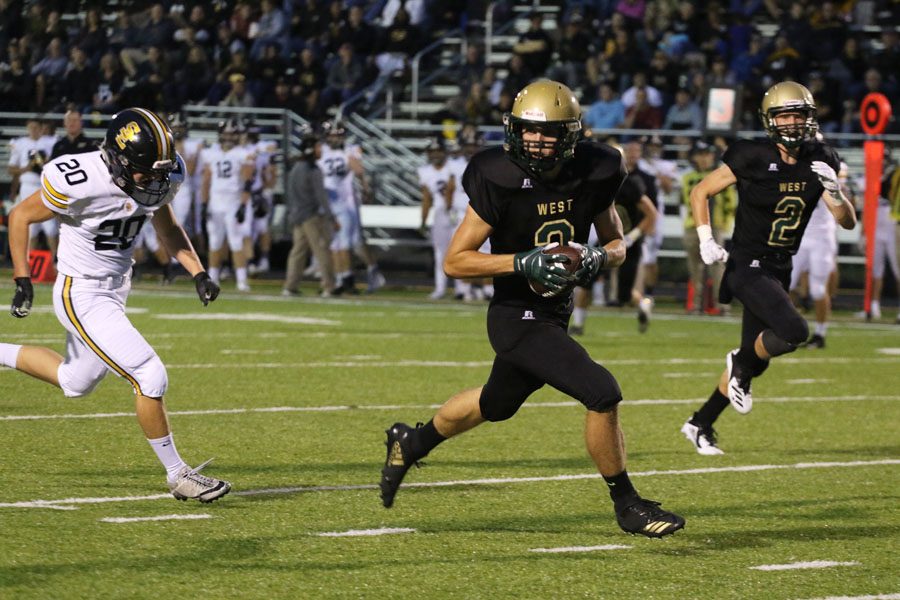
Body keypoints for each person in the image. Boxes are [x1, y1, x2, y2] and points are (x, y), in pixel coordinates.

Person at [379, 80, 685, 538]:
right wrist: (521, 261)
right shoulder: (496, 173)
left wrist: (599, 256)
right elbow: (456, 260)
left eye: (548, 133)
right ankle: (627, 504)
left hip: (555, 310)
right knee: (601, 392)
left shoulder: (598, 168)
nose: (537, 141)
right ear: (513, 129)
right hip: (516, 314)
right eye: (528, 131)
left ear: (572, 135)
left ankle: (411, 442)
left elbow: (616, 242)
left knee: (495, 403)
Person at [2, 107, 231, 502]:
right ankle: (179, 475)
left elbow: (169, 228)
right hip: (82, 293)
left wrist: (197, 271)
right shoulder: (80, 179)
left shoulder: (157, 176)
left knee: (76, 382)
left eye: (160, 173)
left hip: (115, 291)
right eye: (146, 172)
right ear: (118, 160)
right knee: (149, 374)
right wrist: (22, 278)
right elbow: (20, 216)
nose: (154, 181)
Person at [680, 82, 857, 456]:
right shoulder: (752, 155)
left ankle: (700, 422)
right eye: (784, 115)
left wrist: (837, 194)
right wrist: (706, 238)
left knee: (754, 362)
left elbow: (847, 222)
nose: (792, 123)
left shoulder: (821, 157)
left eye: (798, 115)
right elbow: (701, 192)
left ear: (810, 118)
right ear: (770, 121)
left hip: (780, 265)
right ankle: (738, 364)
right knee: (793, 330)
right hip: (747, 263)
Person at [790, 159, 850, 347]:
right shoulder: (794, 172)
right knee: (785, 284)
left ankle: (820, 334)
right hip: (799, 236)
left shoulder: (828, 173)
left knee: (817, 289)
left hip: (822, 238)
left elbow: (844, 204)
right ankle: (788, 329)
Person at [199, 118, 255, 292]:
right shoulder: (212, 153)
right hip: (215, 204)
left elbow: (247, 182)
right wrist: (203, 204)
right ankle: (213, 279)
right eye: (227, 134)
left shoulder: (243, 153)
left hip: (233, 203)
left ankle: (241, 280)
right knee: (215, 243)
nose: (229, 137)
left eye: (232, 134)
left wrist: (243, 205)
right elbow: (206, 181)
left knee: (236, 242)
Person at [681, 141, 736, 315]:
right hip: (692, 225)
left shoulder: (719, 175)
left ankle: (722, 305)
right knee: (694, 268)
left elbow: (730, 201)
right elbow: (684, 202)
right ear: (694, 157)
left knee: (717, 268)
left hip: (715, 226)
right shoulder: (687, 177)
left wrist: (725, 223)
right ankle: (695, 305)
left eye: (707, 154)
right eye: (701, 154)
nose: (704, 158)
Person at [283, 127, 339, 297]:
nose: (320, 150)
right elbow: (321, 197)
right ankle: (329, 286)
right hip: (311, 217)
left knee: (297, 253)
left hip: (297, 216)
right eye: (318, 147)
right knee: (322, 251)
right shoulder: (313, 170)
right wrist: (331, 217)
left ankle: (290, 286)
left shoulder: (295, 168)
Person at [8, 117, 59, 258]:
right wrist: (27, 168)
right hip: (27, 186)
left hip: (46, 186)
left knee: (51, 227)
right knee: (31, 227)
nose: (34, 130)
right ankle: (31, 264)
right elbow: (11, 170)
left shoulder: (50, 142)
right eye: (31, 127)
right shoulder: (20, 144)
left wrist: (45, 163)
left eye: (36, 127)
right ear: (27, 128)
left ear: (42, 128)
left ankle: (56, 263)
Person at [418, 137, 458, 300]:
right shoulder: (424, 171)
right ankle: (440, 288)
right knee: (440, 253)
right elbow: (427, 198)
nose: (435, 154)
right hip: (441, 213)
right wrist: (423, 219)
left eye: (438, 151)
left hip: (459, 211)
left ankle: (462, 289)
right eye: (432, 151)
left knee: (461, 251)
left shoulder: (453, 167)